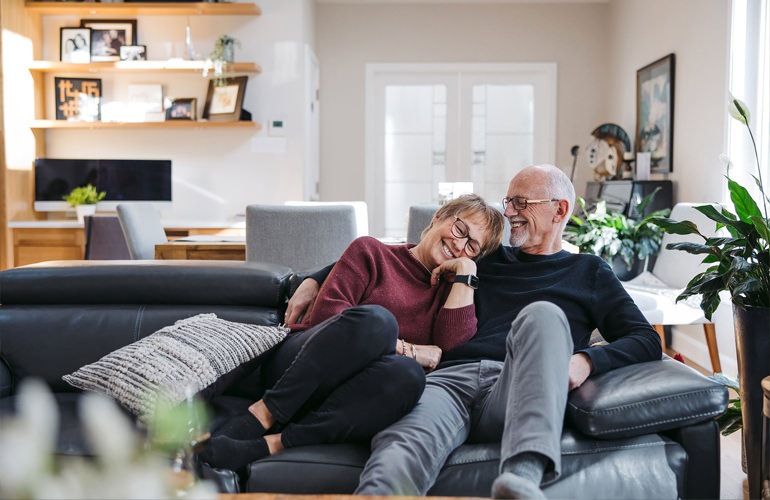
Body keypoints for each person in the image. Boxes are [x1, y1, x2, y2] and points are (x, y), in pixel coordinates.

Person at [286, 164, 662, 499]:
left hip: (516, 384)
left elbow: (645, 339)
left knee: (543, 315)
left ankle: (522, 479)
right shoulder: (486, 254)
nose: (509, 212)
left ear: (559, 209)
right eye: (507, 201)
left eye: (520, 202)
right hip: (447, 379)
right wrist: (311, 278)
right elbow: (401, 255)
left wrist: (585, 360)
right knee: (400, 451)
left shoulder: (590, 272)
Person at [199, 194, 505, 474]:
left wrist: (465, 273)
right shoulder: (371, 251)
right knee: (376, 322)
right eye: (460, 229)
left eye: (472, 247)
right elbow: (328, 319)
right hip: (301, 367)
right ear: (439, 217)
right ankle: (261, 415)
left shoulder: (455, 292)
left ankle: (274, 443)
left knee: (407, 377)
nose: (459, 244)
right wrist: (410, 349)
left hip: (352, 397)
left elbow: (449, 349)